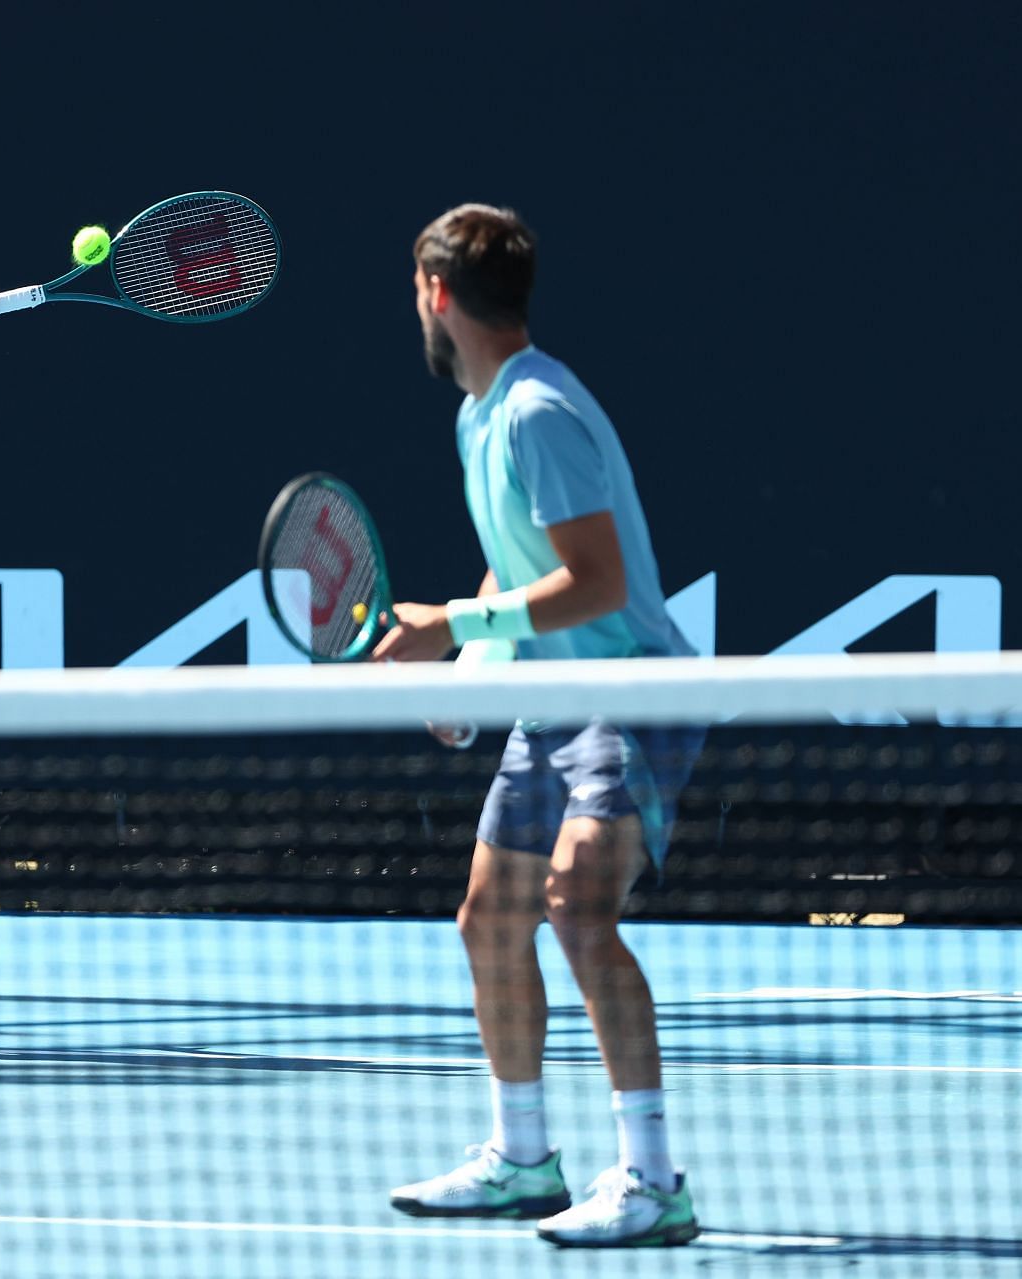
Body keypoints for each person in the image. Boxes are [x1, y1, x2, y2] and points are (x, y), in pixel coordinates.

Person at [377, 204, 704, 1247]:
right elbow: (522, 570)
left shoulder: (536, 415)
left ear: (436, 295)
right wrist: (472, 675)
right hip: (547, 705)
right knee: (490, 917)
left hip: (627, 696)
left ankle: (652, 1181)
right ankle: (524, 1159)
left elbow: (597, 583)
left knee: (576, 907)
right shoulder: (480, 414)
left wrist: (453, 625)